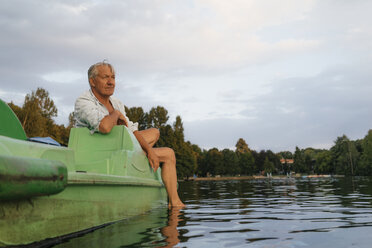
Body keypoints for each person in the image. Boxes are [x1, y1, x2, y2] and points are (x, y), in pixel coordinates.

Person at [74, 61, 185, 208]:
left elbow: (131, 129)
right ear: (92, 81)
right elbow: (105, 127)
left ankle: (175, 202)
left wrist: (150, 151)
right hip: (99, 150)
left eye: (113, 78)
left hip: (121, 144)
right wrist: (116, 114)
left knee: (154, 133)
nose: (111, 82)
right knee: (168, 154)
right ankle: (175, 203)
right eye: (105, 77)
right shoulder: (84, 101)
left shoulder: (116, 102)